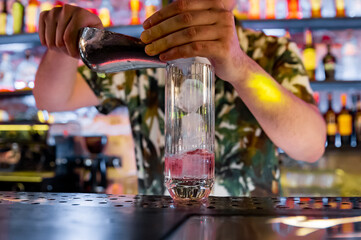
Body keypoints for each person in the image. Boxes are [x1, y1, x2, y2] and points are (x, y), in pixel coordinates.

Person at [34, 0, 326, 196]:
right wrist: (64, 45)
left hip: (253, 229)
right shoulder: (143, 56)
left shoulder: (271, 52)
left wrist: (240, 67)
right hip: (160, 226)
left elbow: (311, 146)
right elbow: (53, 99)